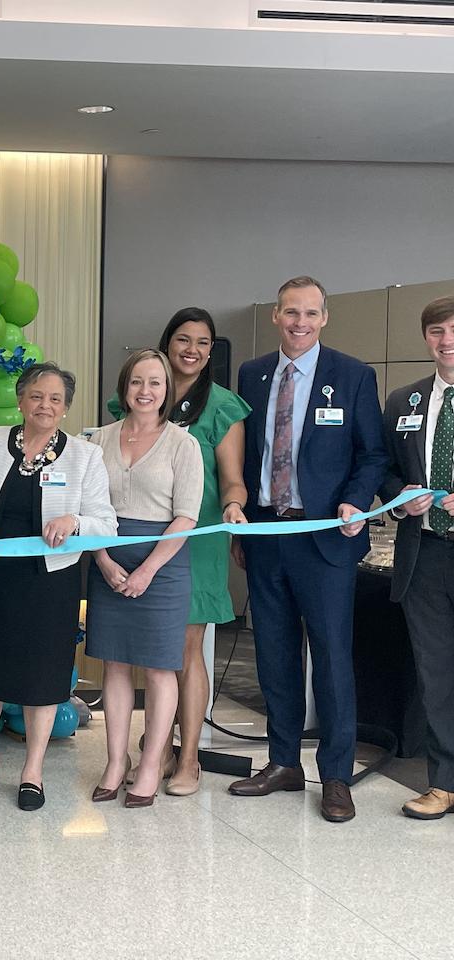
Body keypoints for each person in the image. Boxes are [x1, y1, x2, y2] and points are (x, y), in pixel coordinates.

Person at [229, 276, 386, 823]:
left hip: (326, 539)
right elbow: (244, 455)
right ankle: (283, 762)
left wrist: (354, 500)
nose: (300, 322)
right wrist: (240, 519)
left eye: (311, 313)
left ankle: (336, 776)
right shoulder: (251, 375)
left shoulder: (352, 375)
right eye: (291, 312)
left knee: (331, 659)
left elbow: (373, 455)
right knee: (273, 656)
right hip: (267, 535)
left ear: (325, 319)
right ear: (276, 315)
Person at [0, 363, 117, 810]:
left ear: (65, 409)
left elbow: (106, 524)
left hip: (52, 581)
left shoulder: (85, 456)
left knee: (43, 675)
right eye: (37, 396)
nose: (45, 406)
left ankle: (33, 773)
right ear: (20, 401)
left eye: (55, 399)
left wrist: (74, 521)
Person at [106, 309, 250, 796]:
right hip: (136, 537)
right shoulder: (137, 396)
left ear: (212, 352)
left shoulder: (224, 405)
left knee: (184, 651)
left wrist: (233, 506)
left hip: (198, 535)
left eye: (203, 343)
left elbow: (232, 478)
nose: (192, 349)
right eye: (183, 339)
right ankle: (156, 750)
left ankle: (187, 757)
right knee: (140, 651)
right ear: (166, 344)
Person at [87, 348, 203, 808]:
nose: (145, 391)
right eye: (137, 381)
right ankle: (116, 762)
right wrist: (103, 560)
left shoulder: (183, 444)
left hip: (164, 566)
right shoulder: (97, 440)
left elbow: (186, 517)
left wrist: (148, 569)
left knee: (158, 667)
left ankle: (151, 763)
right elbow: (85, 509)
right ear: (124, 386)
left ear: (167, 391)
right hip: (107, 560)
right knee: (114, 664)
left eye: (155, 383)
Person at [380, 294, 454, 820]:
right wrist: (401, 494)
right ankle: (444, 782)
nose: (447, 341)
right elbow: (381, 471)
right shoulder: (403, 401)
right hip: (424, 554)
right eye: (436, 331)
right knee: (436, 672)